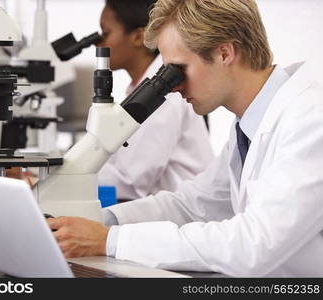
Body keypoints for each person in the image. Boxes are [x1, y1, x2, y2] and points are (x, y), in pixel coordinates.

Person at [47, 0, 323, 277]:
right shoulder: (249, 123)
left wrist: (110, 240)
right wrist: (98, 222)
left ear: (224, 53)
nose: (174, 86)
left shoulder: (310, 119)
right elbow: (192, 205)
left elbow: (253, 245)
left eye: (179, 69)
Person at [97, 0, 213, 200]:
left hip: (184, 217)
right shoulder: (143, 86)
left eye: (105, 33)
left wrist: (57, 174)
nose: (99, 44)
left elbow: (130, 182)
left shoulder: (164, 93)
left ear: (137, 37)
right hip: (163, 210)